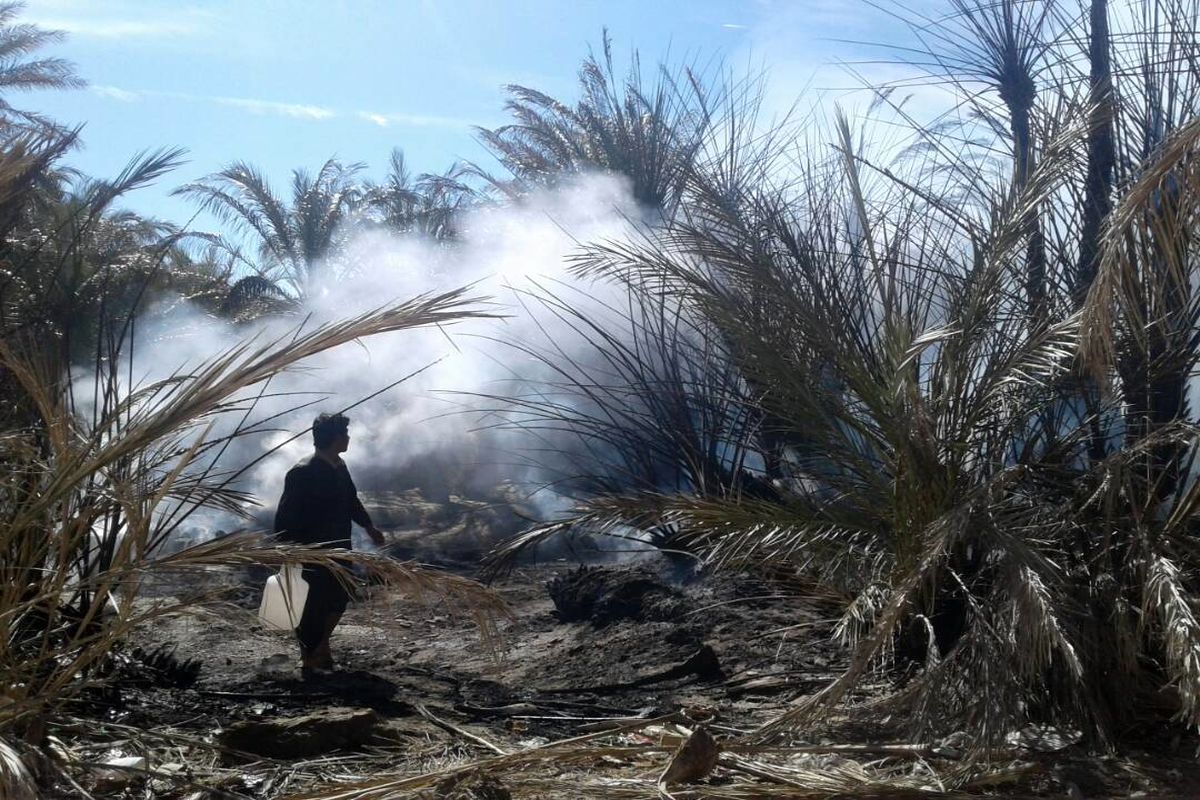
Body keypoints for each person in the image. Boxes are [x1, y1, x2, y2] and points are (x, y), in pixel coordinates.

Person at [273, 412, 385, 675]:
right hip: (311, 552)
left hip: (339, 547)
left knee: (340, 599)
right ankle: (310, 659)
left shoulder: (339, 466)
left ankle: (321, 647)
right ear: (334, 438)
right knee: (313, 605)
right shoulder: (303, 472)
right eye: (344, 434)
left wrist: (369, 526)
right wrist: (289, 553)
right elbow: (285, 517)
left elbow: (352, 501)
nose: (348, 438)